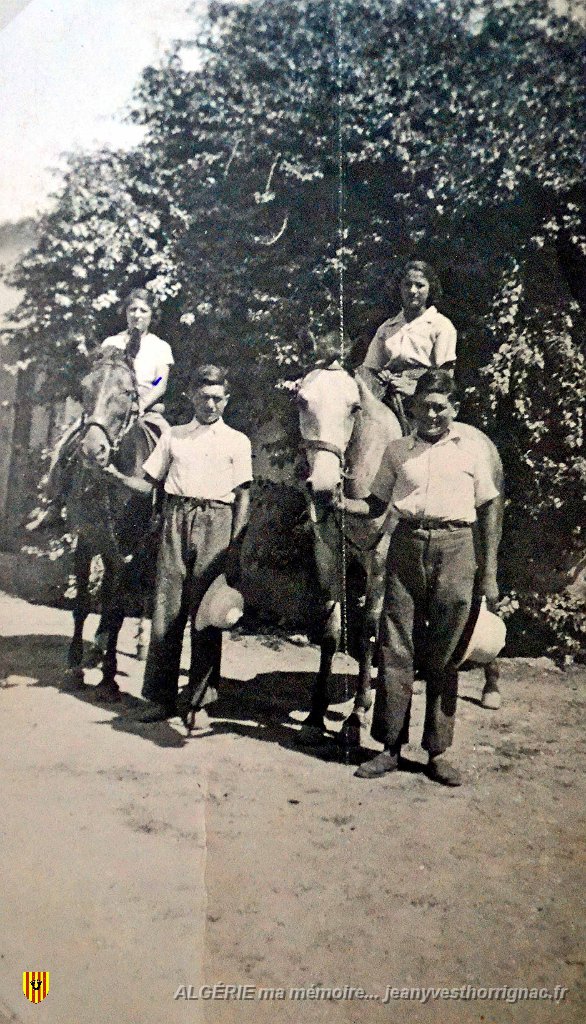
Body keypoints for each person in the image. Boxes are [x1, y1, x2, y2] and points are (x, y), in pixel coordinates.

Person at [345, 370, 501, 786]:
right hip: (406, 546)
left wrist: (489, 571)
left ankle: (436, 751)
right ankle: (390, 748)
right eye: (424, 406)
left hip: (457, 547)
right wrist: (334, 502)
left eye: (439, 407)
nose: (431, 414)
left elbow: (489, 508)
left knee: (446, 652)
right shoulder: (397, 451)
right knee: (395, 647)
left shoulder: (472, 451)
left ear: (454, 409)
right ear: (412, 409)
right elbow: (376, 504)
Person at [105, 364, 252, 723]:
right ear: (191, 397)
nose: (211, 405)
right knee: (166, 612)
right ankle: (160, 698)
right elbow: (148, 484)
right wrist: (115, 476)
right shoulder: (174, 436)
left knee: (207, 616)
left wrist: (234, 546)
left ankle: (199, 702)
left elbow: (244, 498)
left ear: (226, 400)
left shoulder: (238, 440)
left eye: (217, 398)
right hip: (175, 520)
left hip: (217, 522)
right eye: (204, 398)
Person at [27, 287, 173, 530]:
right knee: (65, 442)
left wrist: (142, 403)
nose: (137, 314)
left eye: (143, 310)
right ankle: (54, 504)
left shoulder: (160, 347)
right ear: (126, 313)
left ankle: (164, 512)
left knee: (170, 445)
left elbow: (160, 382)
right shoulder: (112, 342)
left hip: (145, 408)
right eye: (132, 309)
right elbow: (101, 378)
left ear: (151, 315)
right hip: (108, 409)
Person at [358, 261, 457, 434]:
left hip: (423, 400)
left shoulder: (440, 325)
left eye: (419, 285)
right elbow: (369, 368)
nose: (412, 291)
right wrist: (379, 377)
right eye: (407, 285)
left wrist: (414, 388)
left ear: (430, 289)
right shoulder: (388, 327)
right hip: (386, 397)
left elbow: (445, 376)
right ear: (400, 288)